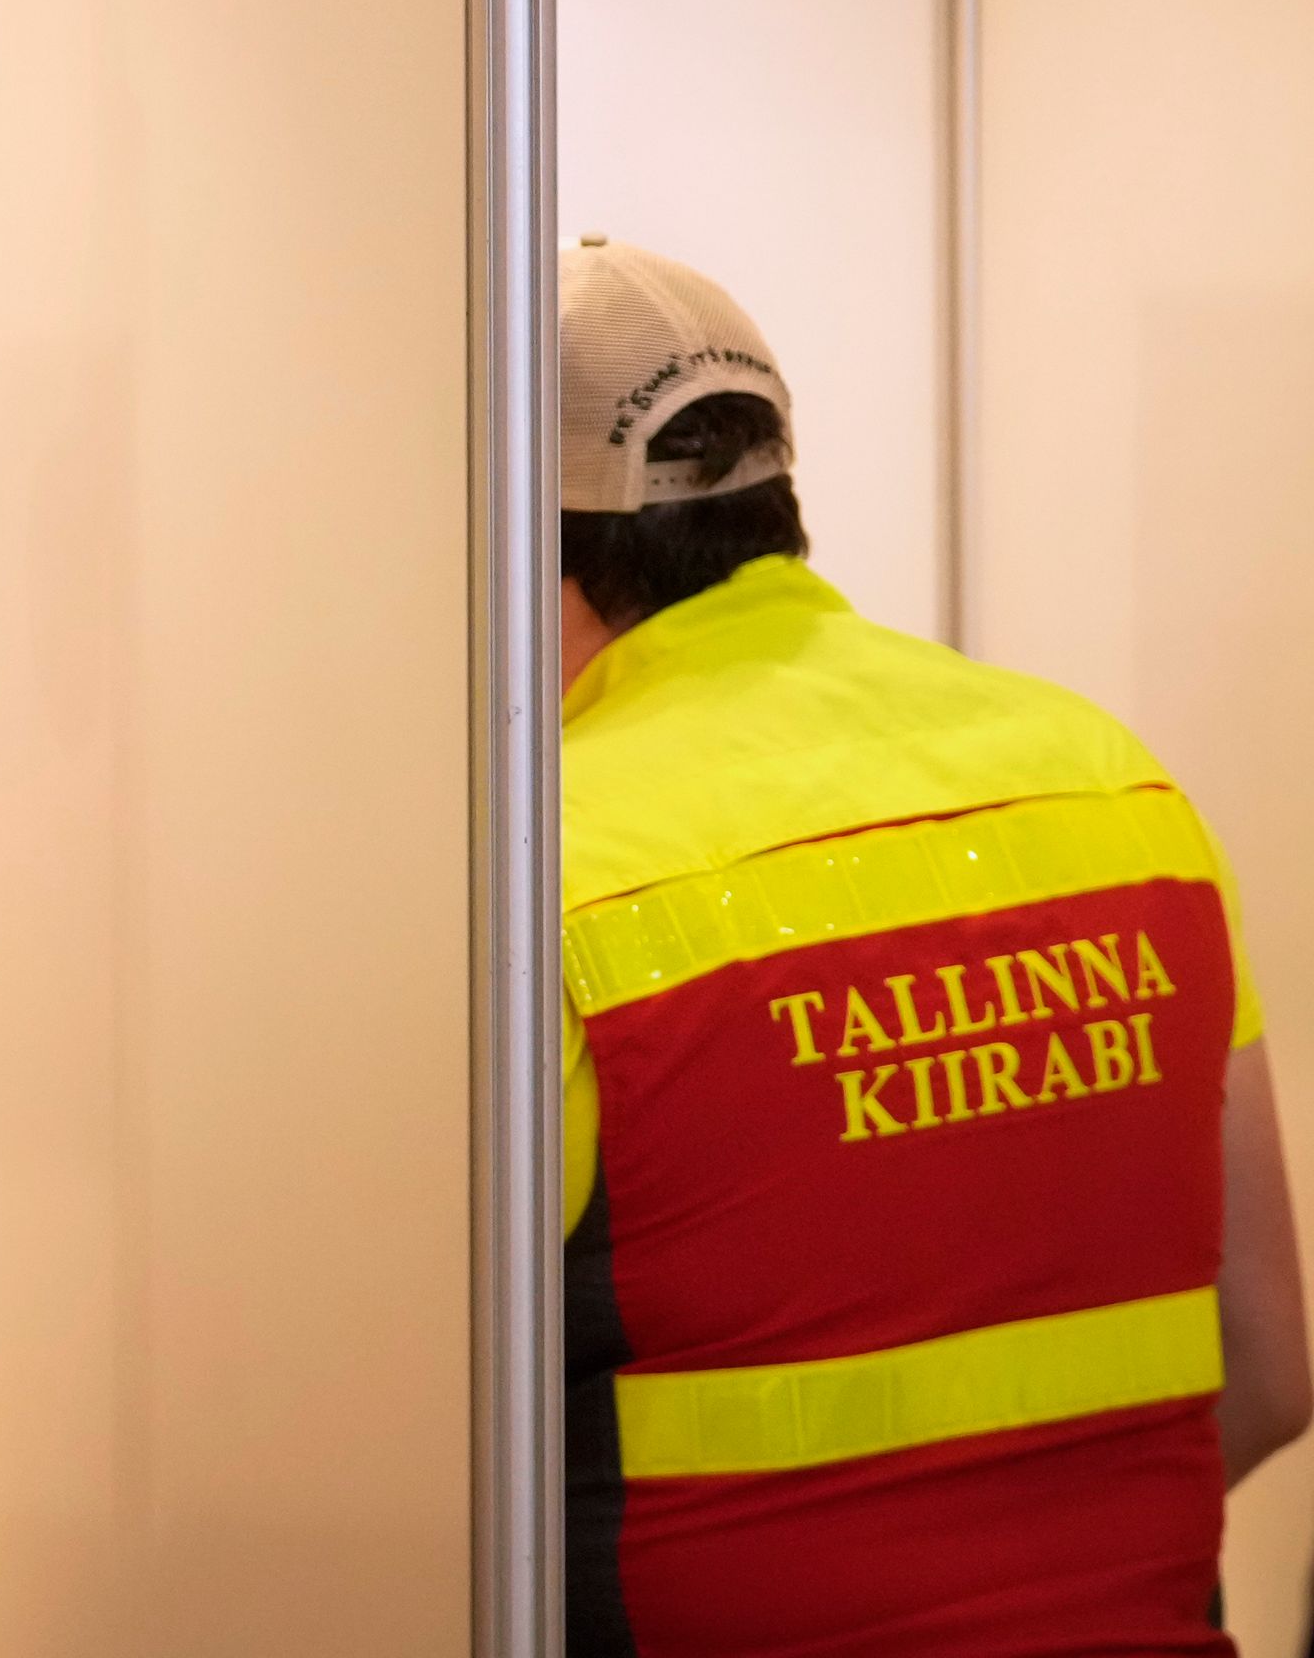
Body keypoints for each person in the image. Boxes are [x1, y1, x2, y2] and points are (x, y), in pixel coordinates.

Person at [556, 236, 1310, 1655]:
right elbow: (1267, 1366)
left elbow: (403, 1483)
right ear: (774, 498)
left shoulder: (549, 873)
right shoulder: (1111, 780)